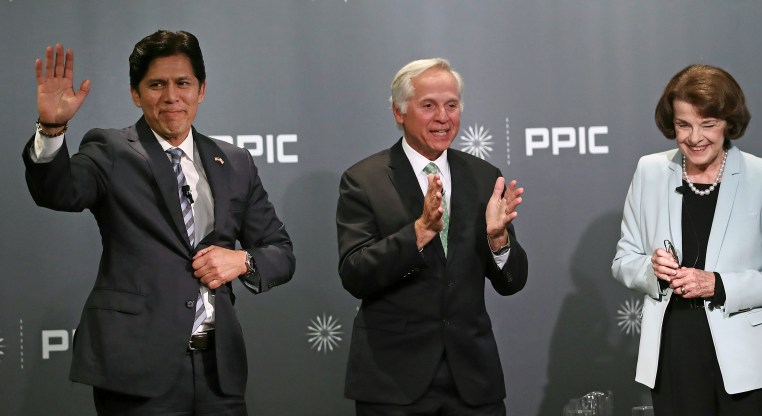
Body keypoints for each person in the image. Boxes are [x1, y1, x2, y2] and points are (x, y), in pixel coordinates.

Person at [23, 30, 295, 415]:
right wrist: (51, 131)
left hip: (219, 371)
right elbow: (58, 192)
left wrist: (242, 261)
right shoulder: (111, 149)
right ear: (136, 93)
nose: (171, 96)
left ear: (201, 90)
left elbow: (281, 252)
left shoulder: (234, 161)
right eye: (156, 85)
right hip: (137, 371)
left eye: (183, 83)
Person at [335, 58, 528, 415]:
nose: (443, 117)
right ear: (399, 111)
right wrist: (419, 233)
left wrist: (499, 241)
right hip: (394, 382)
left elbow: (511, 282)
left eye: (451, 105)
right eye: (429, 105)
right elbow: (355, 273)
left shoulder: (484, 176)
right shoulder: (364, 180)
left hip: (473, 382)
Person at [612, 64, 762, 415]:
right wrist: (651, 269)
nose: (694, 137)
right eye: (684, 124)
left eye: (708, 124)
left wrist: (718, 284)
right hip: (675, 351)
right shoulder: (650, 172)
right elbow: (624, 260)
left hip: (753, 361)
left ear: (728, 123)